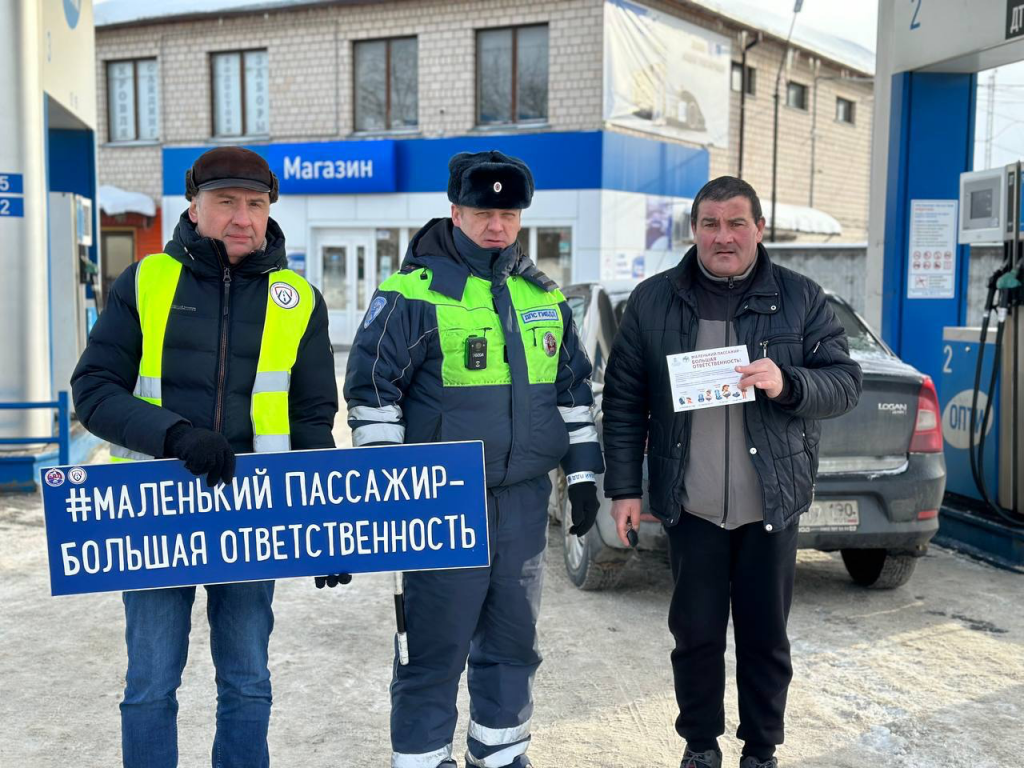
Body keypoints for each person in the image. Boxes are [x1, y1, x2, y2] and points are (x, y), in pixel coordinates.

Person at [71, 146, 339, 768]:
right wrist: (175, 436)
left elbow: (311, 419)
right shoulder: (146, 281)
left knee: (247, 681)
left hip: (253, 515)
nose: (242, 217)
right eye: (226, 202)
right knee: (150, 685)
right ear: (194, 207)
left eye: (256, 204)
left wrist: (325, 526)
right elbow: (95, 391)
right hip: (156, 512)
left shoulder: (298, 297)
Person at [336, 150, 603, 768]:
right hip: (441, 503)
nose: (496, 225)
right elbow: (373, 394)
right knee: (434, 648)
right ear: (455, 212)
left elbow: (572, 393)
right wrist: (387, 489)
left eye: (508, 214)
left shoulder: (542, 296)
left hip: (523, 502)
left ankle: (501, 754)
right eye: (483, 212)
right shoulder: (410, 292)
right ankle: (423, 758)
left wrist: (583, 476)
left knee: (513, 642)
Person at [602, 176, 862, 768]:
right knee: (695, 635)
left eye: (737, 223)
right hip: (690, 504)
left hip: (770, 503)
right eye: (711, 224)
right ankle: (700, 745)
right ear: (694, 230)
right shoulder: (653, 300)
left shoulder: (800, 296)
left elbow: (845, 383)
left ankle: (761, 750)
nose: (724, 236)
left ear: (759, 229)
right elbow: (623, 401)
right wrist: (624, 490)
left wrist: (788, 382)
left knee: (765, 638)